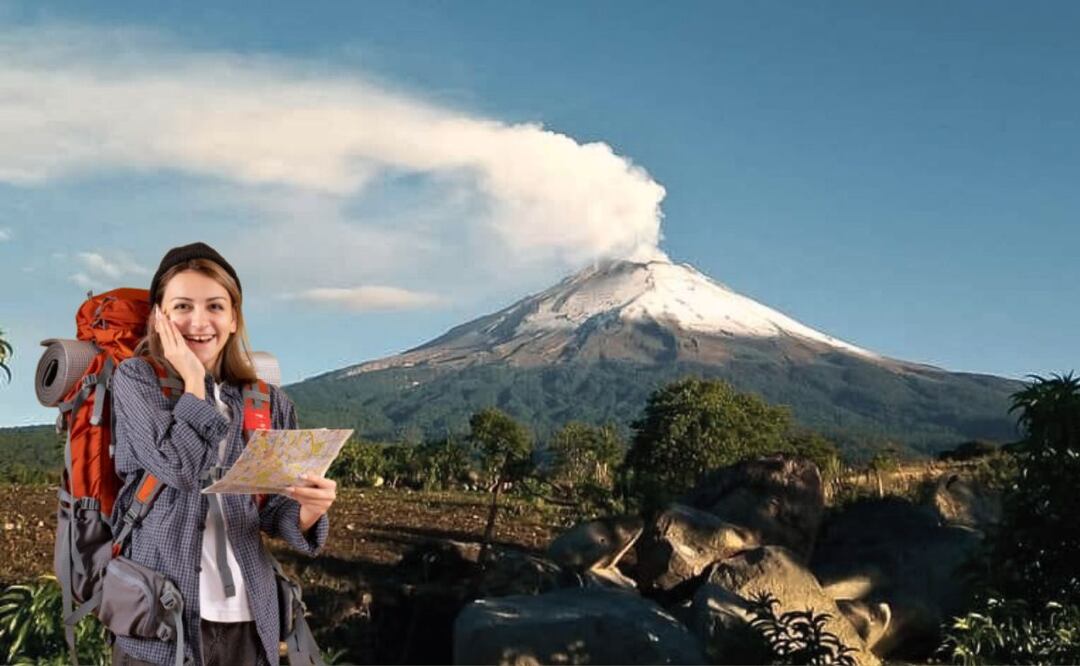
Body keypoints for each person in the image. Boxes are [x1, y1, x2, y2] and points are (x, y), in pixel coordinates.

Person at [108, 242, 336, 666]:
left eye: (215, 306)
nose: (198, 321)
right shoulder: (137, 381)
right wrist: (194, 384)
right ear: (159, 317)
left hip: (250, 620)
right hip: (161, 619)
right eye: (181, 306)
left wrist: (307, 511)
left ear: (234, 318)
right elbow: (178, 466)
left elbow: (268, 511)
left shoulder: (267, 403)